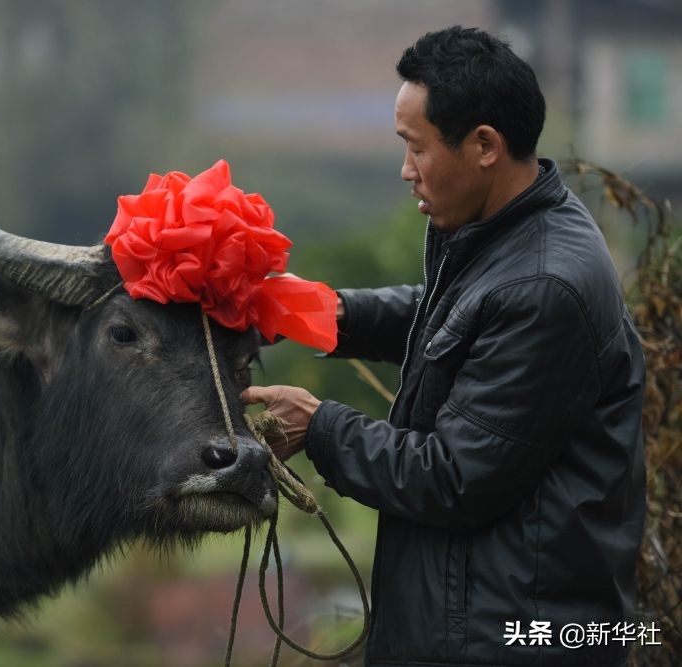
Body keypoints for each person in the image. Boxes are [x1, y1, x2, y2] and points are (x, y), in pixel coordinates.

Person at [242, 26, 647, 667]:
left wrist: (319, 428)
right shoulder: (503, 229)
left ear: (484, 145)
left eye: (416, 149)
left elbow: (454, 478)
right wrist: (310, 312)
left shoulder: (545, 285)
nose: (407, 171)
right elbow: (449, 318)